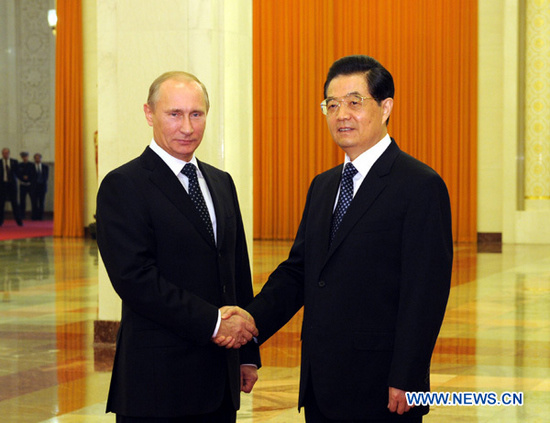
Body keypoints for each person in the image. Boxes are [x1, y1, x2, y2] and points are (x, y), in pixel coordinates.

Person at [218, 55, 453, 422]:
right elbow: (299, 273)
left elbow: (426, 292)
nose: (342, 113)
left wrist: (408, 376)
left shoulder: (420, 186)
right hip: (321, 382)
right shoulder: (324, 186)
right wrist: (250, 321)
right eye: (332, 104)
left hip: (383, 387)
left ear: (386, 107)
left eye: (355, 102)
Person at [96, 71, 260, 422]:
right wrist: (214, 323)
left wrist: (246, 353)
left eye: (196, 114)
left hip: (219, 381)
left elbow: (235, 268)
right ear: (149, 113)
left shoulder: (221, 181)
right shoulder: (123, 185)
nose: (187, 127)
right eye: (174, 114)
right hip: (158, 383)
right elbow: (135, 279)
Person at [0, 148, 23, 226]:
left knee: (15, 203)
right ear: (2, 154)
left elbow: (18, 173)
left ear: (9, 153)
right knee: (1, 204)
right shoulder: (0, 162)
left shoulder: (14, 162)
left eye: (6, 153)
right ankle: (0, 221)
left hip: (12, 185)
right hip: (2, 185)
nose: (5, 154)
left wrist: (25, 179)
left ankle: (19, 221)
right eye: (4, 153)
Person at [30, 153, 49, 220]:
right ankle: (34, 217)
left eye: (39, 158)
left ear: (41, 158)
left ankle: (41, 217)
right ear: (34, 159)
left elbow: (46, 177)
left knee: (41, 202)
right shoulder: (31, 167)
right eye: (36, 158)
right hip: (34, 187)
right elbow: (30, 177)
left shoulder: (45, 167)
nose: (37, 159)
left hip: (42, 187)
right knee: (34, 202)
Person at [18, 152, 34, 220]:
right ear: (22, 157)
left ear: (28, 157)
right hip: (22, 184)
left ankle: (34, 215)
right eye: (23, 157)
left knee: (33, 200)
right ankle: (22, 215)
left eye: (26, 156)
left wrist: (28, 177)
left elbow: (33, 174)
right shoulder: (19, 165)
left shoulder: (32, 165)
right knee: (22, 200)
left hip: (30, 185)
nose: (25, 158)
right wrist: (22, 177)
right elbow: (18, 174)